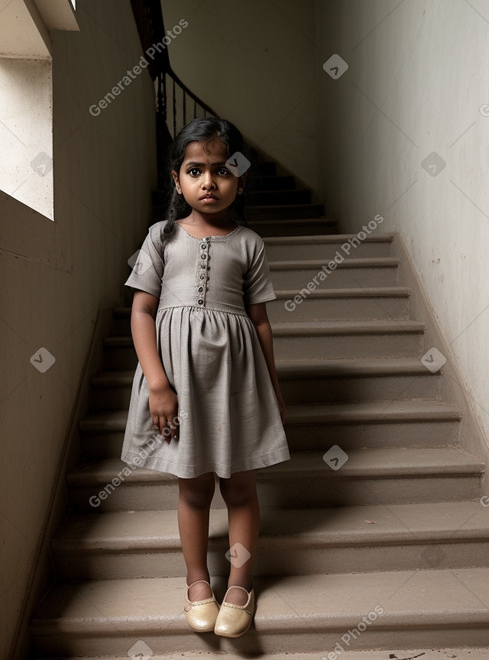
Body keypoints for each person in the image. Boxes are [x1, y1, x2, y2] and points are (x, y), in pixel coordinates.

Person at [121, 117, 290, 638]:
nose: (209, 182)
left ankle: (240, 582)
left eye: (222, 171)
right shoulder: (160, 237)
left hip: (236, 383)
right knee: (192, 488)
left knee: (240, 487)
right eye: (195, 170)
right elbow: (142, 313)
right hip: (178, 382)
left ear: (239, 178)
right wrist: (158, 384)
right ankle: (197, 582)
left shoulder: (250, 244)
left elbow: (260, 324)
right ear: (177, 180)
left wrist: (274, 395)